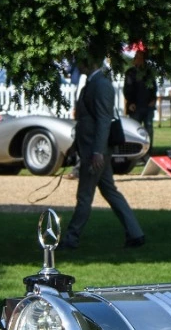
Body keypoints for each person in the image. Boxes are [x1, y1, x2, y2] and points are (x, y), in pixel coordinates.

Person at [61, 49, 144, 248]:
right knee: (110, 192)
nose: (78, 64)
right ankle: (135, 233)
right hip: (90, 148)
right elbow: (86, 121)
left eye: (81, 61)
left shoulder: (100, 84)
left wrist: (97, 151)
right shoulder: (93, 83)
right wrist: (75, 146)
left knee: (84, 196)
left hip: (94, 152)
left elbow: (103, 121)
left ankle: (71, 239)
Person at [122, 47, 157, 139]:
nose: (139, 60)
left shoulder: (149, 72)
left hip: (148, 106)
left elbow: (154, 88)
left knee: (149, 127)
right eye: (137, 57)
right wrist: (130, 102)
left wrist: (153, 99)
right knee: (135, 129)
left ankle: (149, 150)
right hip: (135, 107)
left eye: (141, 58)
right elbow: (127, 89)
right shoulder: (130, 73)